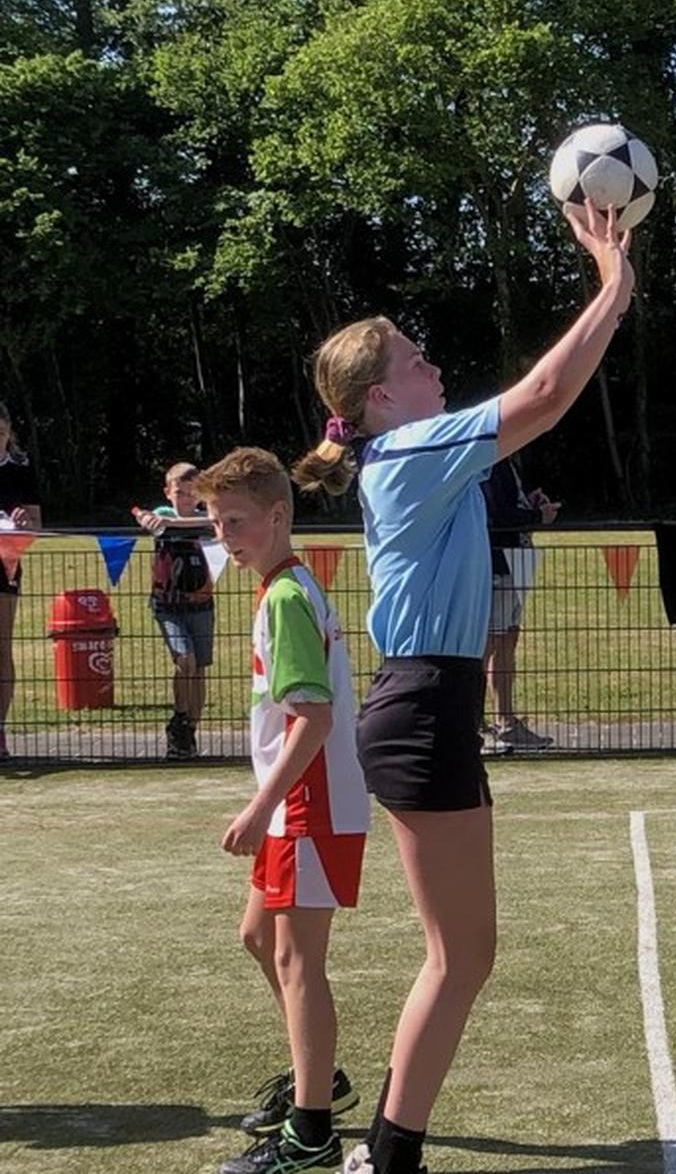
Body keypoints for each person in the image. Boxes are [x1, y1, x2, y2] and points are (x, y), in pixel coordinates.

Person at [291, 202, 635, 1174]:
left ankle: (388, 1148)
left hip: (429, 705)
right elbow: (544, 395)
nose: (434, 366)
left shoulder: (409, 452)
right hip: (420, 710)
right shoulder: (409, 450)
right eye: (416, 359)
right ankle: (386, 1153)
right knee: (459, 955)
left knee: (465, 953)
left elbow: (534, 403)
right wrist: (612, 284)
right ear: (380, 396)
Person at [201, 447, 368, 1174]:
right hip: (295, 805)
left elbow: (314, 720)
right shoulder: (282, 588)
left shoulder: (287, 598)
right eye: (216, 523)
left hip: (310, 804)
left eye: (235, 521)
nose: (225, 536)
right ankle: (318, 1075)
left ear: (277, 516)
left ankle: (312, 1131)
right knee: (258, 937)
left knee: (298, 959)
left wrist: (259, 804)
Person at [133, 462, 217, 760]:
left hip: (201, 603)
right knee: (185, 660)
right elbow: (149, 519)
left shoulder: (207, 518)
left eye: (191, 493)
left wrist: (174, 524)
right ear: (168, 493)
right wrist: (147, 518)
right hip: (168, 605)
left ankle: (189, 731)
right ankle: (180, 718)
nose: (185, 499)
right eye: (179, 492)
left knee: (200, 668)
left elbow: (213, 524)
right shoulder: (162, 514)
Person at [480, 454, 559, 753]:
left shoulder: (504, 461)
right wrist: (537, 516)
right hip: (499, 563)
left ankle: (502, 721)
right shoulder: (490, 462)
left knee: (506, 637)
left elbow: (507, 507)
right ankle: (487, 723)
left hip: (514, 561)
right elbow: (498, 516)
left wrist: (529, 503)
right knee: (492, 642)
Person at [0, 403, 42, 762]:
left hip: (5, 566)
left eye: (0, 433)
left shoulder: (21, 471)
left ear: (9, 433)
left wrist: (24, 522)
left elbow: (37, 526)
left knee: (2, 648)